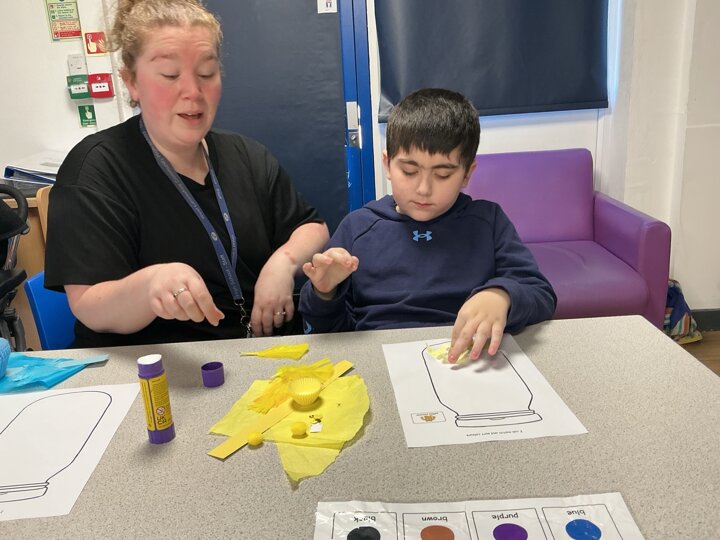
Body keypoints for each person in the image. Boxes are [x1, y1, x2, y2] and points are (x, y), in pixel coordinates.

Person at [44, 0, 329, 348]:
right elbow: (89, 305)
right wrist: (151, 285)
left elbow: (312, 226)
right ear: (131, 82)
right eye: (170, 75)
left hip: (258, 351)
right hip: (156, 364)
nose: (193, 92)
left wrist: (283, 264)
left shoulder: (246, 155)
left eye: (207, 73)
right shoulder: (96, 169)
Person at [299, 88, 556, 363]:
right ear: (387, 164)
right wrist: (324, 293)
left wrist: (501, 295)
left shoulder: (488, 221)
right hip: (381, 358)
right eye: (409, 171)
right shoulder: (357, 227)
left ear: (467, 173)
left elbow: (540, 294)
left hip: (466, 359)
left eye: (443, 174)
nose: (423, 189)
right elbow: (329, 332)